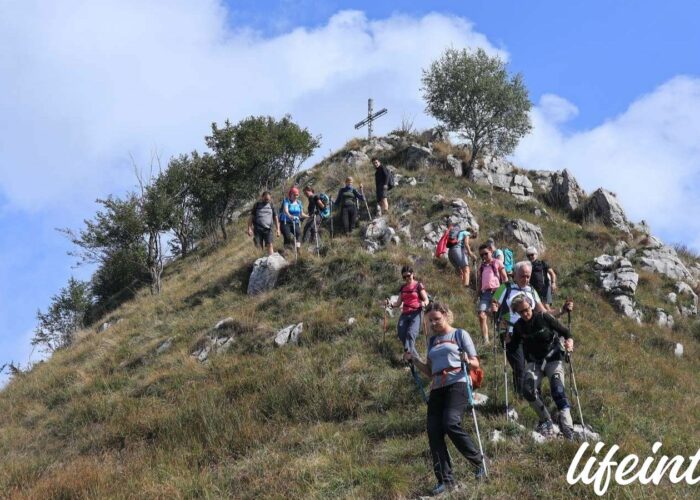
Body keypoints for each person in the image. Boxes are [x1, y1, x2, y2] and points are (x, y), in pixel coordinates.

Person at [404, 301, 486, 493]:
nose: (433, 324)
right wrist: (414, 360)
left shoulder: (460, 334)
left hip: (457, 383)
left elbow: (475, 363)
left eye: (437, 319)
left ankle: (479, 462)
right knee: (433, 431)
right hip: (437, 388)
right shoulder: (432, 341)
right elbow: (431, 371)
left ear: (446, 315)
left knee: (450, 423)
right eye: (430, 320)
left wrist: (466, 359)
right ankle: (446, 481)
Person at [491, 261, 572, 396]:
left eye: (528, 276)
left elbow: (544, 314)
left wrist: (562, 310)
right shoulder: (505, 287)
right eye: (523, 276)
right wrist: (497, 318)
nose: (526, 279)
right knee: (520, 366)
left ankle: (533, 394)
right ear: (515, 275)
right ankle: (522, 397)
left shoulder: (531, 290)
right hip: (510, 333)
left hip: (529, 335)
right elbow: (493, 307)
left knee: (531, 367)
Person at [510, 295, 575, 440]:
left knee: (558, 390)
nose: (525, 314)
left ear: (531, 306)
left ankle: (568, 428)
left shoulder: (544, 318)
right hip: (534, 363)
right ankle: (546, 420)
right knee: (527, 390)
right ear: (517, 313)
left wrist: (569, 343)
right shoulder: (518, 327)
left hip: (553, 358)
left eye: (527, 309)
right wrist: (505, 337)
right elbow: (514, 345)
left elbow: (566, 332)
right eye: (521, 312)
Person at [386, 265, 429, 356]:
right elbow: (398, 303)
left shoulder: (418, 285)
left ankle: (409, 356)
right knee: (402, 333)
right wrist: (390, 304)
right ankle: (415, 358)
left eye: (408, 275)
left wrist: (423, 303)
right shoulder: (403, 288)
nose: (406, 278)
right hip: (405, 314)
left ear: (413, 274)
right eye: (404, 276)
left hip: (416, 313)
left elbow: (426, 300)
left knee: (410, 334)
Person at [475, 243, 507, 345]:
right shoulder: (482, 266)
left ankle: (501, 337)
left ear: (491, 251)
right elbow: (481, 281)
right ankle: (486, 340)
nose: (484, 256)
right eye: (481, 255)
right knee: (481, 315)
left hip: (496, 292)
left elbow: (504, 277)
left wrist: (505, 290)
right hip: (484, 294)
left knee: (497, 316)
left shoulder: (497, 262)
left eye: (485, 254)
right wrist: (477, 293)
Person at [247, 191, 281, 256]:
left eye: (268, 199)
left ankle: (272, 259)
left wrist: (278, 229)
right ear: (262, 197)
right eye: (265, 199)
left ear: (270, 198)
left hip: (268, 229)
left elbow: (276, 218)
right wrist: (249, 229)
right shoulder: (257, 205)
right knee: (258, 246)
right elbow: (251, 217)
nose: (267, 200)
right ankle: (259, 261)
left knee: (270, 244)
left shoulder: (272, 205)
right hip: (258, 229)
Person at [526, 247, 558, 311]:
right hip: (533, 290)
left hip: (544, 287)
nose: (530, 257)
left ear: (536, 254)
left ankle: (553, 318)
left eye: (532, 255)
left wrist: (553, 283)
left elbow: (552, 273)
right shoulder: (527, 265)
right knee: (538, 308)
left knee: (546, 305)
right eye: (528, 256)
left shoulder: (542, 263)